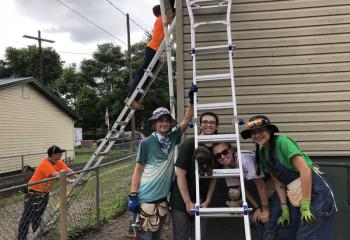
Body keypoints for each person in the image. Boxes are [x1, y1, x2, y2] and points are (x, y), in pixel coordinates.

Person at [241, 115, 337, 240]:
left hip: (316, 194)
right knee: (287, 234)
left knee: (308, 236)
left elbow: (305, 171)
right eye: (253, 133)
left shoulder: (283, 142)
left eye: (261, 130)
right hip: (296, 196)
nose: (257, 135)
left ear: (270, 130)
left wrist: (306, 204)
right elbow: (278, 182)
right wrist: (284, 207)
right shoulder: (263, 154)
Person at [127, 85, 197, 240]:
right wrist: (133, 195)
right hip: (145, 199)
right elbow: (138, 170)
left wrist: (192, 102)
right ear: (154, 124)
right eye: (160, 121)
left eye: (167, 121)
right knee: (145, 237)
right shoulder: (146, 143)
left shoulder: (172, 139)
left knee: (156, 236)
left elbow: (186, 121)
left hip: (162, 201)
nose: (164, 123)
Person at [170, 112, 219, 240]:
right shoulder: (190, 144)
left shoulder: (218, 147)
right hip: (182, 200)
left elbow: (214, 178)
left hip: (202, 200)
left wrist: (207, 201)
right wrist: (187, 202)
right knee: (181, 237)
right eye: (205, 122)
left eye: (212, 122)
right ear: (200, 125)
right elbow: (180, 174)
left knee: (198, 236)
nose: (208, 125)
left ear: (217, 126)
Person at [18, 145, 75, 240]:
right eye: (59, 153)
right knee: (27, 216)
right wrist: (70, 181)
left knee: (38, 214)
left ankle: (38, 233)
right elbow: (57, 175)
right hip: (34, 192)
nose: (61, 154)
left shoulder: (58, 162)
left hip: (44, 192)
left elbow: (68, 170)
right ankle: (22, 237)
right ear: (53, 155)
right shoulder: (45, 163)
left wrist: (78, 177)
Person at [126, 5, 168, 110]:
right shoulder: (162, 19)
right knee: (142, 73)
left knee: (147, 76)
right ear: (162, 12)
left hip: (155, 50)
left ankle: (135, 99)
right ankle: (130, 98)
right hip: (152, 49)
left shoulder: (161, 20)